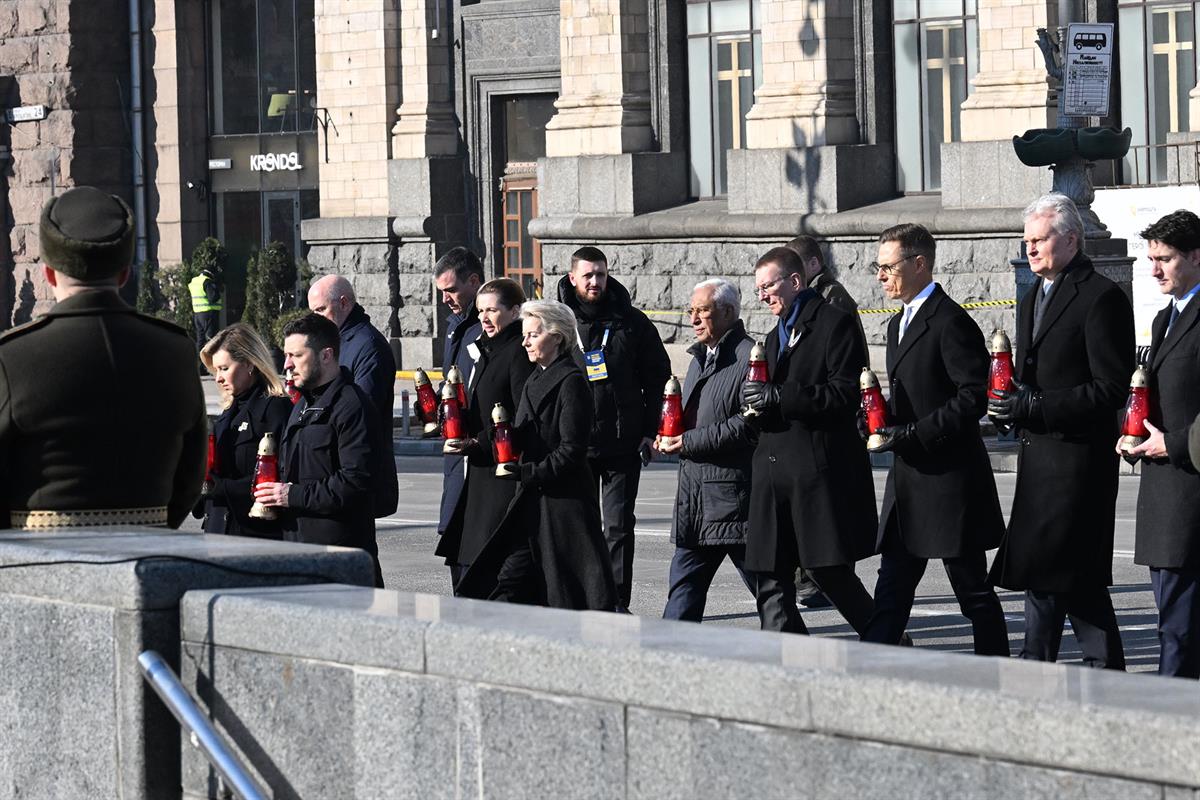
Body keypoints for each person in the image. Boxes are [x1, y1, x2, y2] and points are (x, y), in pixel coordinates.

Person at [0, 185, 207, 530]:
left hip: (40, 559)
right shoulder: (175, 350)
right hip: (149, 547)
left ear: (48, 274)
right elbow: (190, 474)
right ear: (124, 273)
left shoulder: (13, 356)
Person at [988, 193, 1134, 670]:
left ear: (1071, 239)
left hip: (1077, 467)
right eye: (1026, 240)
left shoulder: (1101, 297)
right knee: (1071, 585)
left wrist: (1038, 404)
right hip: (1039, 464)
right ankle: (1100, 675)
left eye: (1039, 239)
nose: (1029, 249)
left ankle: (1042, 676)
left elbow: (1112, 388)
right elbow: (1030, 377)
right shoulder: (1033, 295)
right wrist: (1011, 406)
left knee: (1053, 582)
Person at [860, 224, 1009, 656]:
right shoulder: (895, 325)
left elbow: (973, 397)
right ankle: (864, 673)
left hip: (948, 483)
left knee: (972, 592)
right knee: (890, 591)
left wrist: (914, 432)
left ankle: (997, 671)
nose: (881, 276)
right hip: (908, 483)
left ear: (919, 263)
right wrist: (875, 416)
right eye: (879, 267)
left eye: (889, 267)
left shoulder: (950, 321)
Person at [741, 246, 878, 636]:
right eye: (759, 290)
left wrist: (782, 397)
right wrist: (754, 404)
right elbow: (767, 397)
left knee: (825, 569)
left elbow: (844, 394)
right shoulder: (769, 338)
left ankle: (882, 634)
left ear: (795, 281)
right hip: (772, 471)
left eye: (769, 286)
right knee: (768, 570)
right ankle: (787, 650)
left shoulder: (834, 324)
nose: (764, 295)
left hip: (812, 469)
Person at [456, 300, 618, 610]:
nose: (525, 342)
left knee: (566, 594)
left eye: (533, 335)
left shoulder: (571, 382)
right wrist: (482, 443)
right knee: (508, 583)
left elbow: (571, 451)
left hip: (562, 506)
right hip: (533, 503)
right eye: (525, 335)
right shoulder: (536, 377)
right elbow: (522, 431)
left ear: (556, 337)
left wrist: (528, 471)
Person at [557, 246, 671, 612]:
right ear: (572, 277)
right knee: (580, 526)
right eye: (587, 275)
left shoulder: (631, 322)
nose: (595, 282)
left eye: (600, 274)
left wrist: (650, 430)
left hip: (623, 442)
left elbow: (657, 379)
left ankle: (617, 601)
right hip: (575, 444)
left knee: (619, 526)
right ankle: (583, 598)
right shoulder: (558, 321)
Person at [253, 313, 388, 587]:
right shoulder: (302, 404)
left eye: (296, 355)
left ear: (326, 355)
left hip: (340, 559)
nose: (287, 365)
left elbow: (356, 481)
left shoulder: (351, 406)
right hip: (299, 551)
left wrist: (292, 494)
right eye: (286, 355)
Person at [1124, 210, 1200, 678]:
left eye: (1165, 259)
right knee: (1175, 625)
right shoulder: (1163, 319)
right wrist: (1131, 431)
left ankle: (1168, 727)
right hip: (1165, 496)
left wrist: (1171, 444)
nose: (1154, 270)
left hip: (1188, 495)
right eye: (1150, 259)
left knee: (1179, 630)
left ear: (1196, 256)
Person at [657, 278, 757, 622]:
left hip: (732, 497)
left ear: (728, 312)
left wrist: (688, 441)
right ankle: (668, 654)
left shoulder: (748, 356)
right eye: (691, 311)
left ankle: (874, 632)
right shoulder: (702, 356)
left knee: (770, 591)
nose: (694, 319)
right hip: (697, 495)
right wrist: (668, 435)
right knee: (684, 585)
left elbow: (747, 425)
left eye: (703, 311)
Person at [784, 234, 870, 610]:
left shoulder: (830, 302)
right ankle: (815, 578)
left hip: (832, 415)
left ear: (813, 266)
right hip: (813, 415)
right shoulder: (809, 302)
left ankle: (824, 580)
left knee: (830, 512)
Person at [435, 278, 536, 590]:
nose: (483, 318)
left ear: (515, 311)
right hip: (478, 476)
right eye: (480, 311)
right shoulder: (486, 350)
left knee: (486, 576)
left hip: (500, 479)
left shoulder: (518, 354)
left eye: (492, 310)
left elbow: (521, 418)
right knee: (467, 573)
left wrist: (477, 442)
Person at [307, 274, 399, 518]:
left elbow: (360, 410)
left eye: (320, 310)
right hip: (335, 469)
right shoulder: (338, 341)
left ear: (344, 303)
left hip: (357, 471)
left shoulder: (368, 345)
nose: (315, 319)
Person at [196, 323, 294, 539]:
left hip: (255, 532)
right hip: (218, 530)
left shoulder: (275, 408)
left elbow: (281, 474)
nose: (218, 378)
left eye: (224, 368)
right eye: (215, 371)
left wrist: (220, 488)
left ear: (250, 364)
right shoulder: (227, 413)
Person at [433, 247, 484, 574]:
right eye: (441, 292)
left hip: (479, 448)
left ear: (474, 281)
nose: (445, 299)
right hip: (456, 450)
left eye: (451, 290)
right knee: (455, 539)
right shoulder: (456, 325)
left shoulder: (488, 325)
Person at [189, 264, 222, 355]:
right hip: (209, 313)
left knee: (200, 339)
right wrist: (216, 289)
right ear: (211, 273)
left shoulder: (194, 281)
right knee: (211, 339)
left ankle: (199, 362)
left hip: (198, 314)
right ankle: (209, 361)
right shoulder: (207, 282)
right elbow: (213, 298)